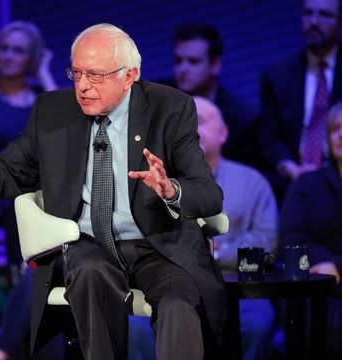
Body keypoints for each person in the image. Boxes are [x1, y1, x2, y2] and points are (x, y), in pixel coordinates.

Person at [0, 23, 225, 360]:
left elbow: (208, 194)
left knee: (179, 304)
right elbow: (3, 177)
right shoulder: (52, 112)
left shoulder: (171, 108)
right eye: (75, 73)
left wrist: (171, 189)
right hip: (91, 245)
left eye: (95, 75)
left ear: (129, 75)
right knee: (90, 274)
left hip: (159, 244)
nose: (83, 87)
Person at [128, 97, 279, 360]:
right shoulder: (157, 180)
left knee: (256, 325)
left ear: (223, 133)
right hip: (170, 283)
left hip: (237, 286)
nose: (190, 128)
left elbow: (266, 237)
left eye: (201, 121)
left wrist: (220, 255)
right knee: (136, 327)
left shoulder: (252, 182)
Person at [0, 20, 59, 360]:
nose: (8, 55)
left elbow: (65, 132)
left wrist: (45, 74)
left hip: (37, 190)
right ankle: (31, 284)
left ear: (30, 58)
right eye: (3, 48)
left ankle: (44, 286)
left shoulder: (36, 96)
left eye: (18, 50)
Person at [258, 0, 342, 204]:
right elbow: (268, 138)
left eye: (325, 15)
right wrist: (288, 167)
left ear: (340, 22)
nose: (313, 22)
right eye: (308, 13)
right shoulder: (277, 74)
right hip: (291, 181)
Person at [279, 101, 342, 359]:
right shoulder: (307, 184)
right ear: (328, 140)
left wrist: (337, 267)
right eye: (337, 129)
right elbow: (291, 237)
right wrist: (324, 264)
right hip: (316, 280)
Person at [160, 23, 258, 167]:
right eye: (178, 60)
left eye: (193, 62)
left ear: (216, 65)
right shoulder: (156, 98)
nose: (183, 69)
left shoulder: (241, 120)